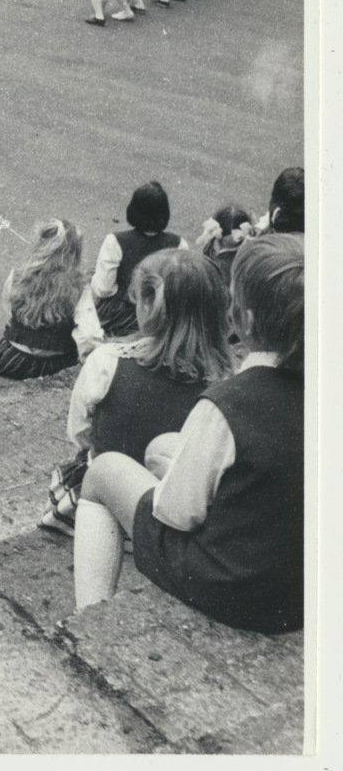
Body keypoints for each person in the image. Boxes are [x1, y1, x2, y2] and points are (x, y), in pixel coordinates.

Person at [73, 235, 303, 634]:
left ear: (245, 321)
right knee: (164, 447)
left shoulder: (228, 405)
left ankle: (89, 622)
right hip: (297, 586)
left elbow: (176, 513)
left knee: (104, 471)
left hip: (230, 587)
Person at [42, 251, 231, 537]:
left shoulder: (107, 360)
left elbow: (79, 432)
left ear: (146, 303)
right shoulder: (225, 380)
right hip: (170, 506)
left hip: (105, 505)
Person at [0, 218, 85, 379]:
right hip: (56, 361)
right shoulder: (80, 285)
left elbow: (10, 306)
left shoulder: (19, 275)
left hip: (15, 358)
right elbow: (87, 333)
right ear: (75, 251)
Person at [91, 181, 184, 338]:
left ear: (133, 210)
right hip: (162, 317)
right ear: (165, 213)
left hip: (122, 316)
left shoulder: (114, 241)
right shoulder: (179, 243)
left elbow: (104, 289)